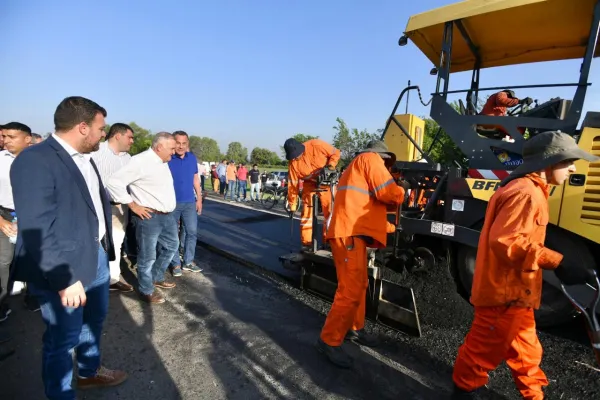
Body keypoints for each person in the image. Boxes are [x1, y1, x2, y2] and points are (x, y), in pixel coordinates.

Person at [451, 131, 599, 399]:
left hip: (516, 294)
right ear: (549, 162)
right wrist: (558, 262)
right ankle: (462, 391)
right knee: (480, 352)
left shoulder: (529, 190)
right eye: (568, 162)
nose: (574, 168)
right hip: (503, 296)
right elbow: (506, 241)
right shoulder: (526, 193)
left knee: (527, 354)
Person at [10, 96, 128, 399]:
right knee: (62, 339)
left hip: (96, 257)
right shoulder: (35, 159)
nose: (104, 134)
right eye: (101, 128)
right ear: (83, 127)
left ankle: (89, 373)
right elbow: (36, 226)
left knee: (94, 321)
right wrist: (64, 278)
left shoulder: (85, 158)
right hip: (63, 269)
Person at [316, 140, 407, 368]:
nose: (386, 167)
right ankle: (329, 339)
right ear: (381, 156)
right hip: (349, 234)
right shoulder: (369, 159)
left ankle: (355, 329)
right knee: (349, 290)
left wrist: (389, 228)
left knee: (360, 284)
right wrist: (402, 190)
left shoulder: (358, 165)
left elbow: (366, 205)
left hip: (351, 232)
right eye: (386, 162)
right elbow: (388, 193)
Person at [106, 132, 178, 305]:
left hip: (167, 217)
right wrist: (132, 205)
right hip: (149, 217)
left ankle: (156, 276)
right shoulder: (141, 161)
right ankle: (146, 290)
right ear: (159, 147)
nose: (174, 152)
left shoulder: (162, 161)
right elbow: (113, 182)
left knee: (171, 246)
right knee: (147, 257)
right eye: (172, 148)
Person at [91, 123, 135, 293]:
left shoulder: (128, 158)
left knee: (116, 242)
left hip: (120, 208)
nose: (131, 141)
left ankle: (112, 279)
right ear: (118, 135)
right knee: (94, 241)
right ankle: (91, 277)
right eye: (129, 137)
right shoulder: (96, 151)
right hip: (96, 206)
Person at [0, 122, 32, 322]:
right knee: (4, 260)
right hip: (4, 215)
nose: (6, 141)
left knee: (34, 258)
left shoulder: (40, 161)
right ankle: (2, 303)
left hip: (32, 217)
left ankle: (34, 297)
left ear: (27, 139)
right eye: (4, 136)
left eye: (12, 137)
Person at [284, 138, 341, 250]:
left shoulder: (317, 145)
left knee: (330, 212)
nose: (295, 158)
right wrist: (292, 205)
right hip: (309, 185)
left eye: (296, 155)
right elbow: (293, 185)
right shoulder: (293, 164)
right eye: (293, 157)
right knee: (306, 214)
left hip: (326, 182)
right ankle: (307, 243)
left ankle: (329, 241)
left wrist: (331, 165)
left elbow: (336, 152)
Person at [168, 131, 203, 277]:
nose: (181, 146)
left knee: (192, 232)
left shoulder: (191, 158)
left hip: (189, 201)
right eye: (178, 143)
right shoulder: (167, 158)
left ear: (187, 144)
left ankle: (188, 261)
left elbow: (195, 179)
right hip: (171, 202)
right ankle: (175, 263)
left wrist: (199, 199)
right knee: (172, 234)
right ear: (173, 143)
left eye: (184, 143)